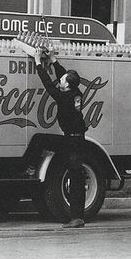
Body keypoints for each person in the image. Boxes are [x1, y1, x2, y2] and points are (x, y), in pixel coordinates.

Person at [32, 47, 88, 229]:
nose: (60, 80)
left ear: (67, 85)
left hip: (72, 143)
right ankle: (77, 217)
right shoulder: (75, 93)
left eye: (62, 81)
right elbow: (65, 76)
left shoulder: (64, 98)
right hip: (76, 140)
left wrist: (39, 63)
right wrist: (54, 60)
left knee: (75, 177)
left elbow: (48, 84)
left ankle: (77, 218)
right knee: (76, 176)